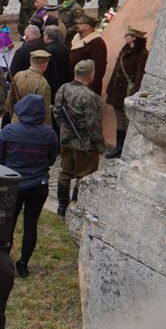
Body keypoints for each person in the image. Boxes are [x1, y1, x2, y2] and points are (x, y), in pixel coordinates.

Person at [0, 94, 58, 278]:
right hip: (38, 184)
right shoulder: (49, 133)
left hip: (11, 182)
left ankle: (4, 259)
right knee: (31, 224)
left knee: (7, 224)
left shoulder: (8, 131)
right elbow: (52, 159)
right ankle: (24, 263)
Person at [54, 60, 107, 217]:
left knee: (65, 172)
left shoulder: (63, 89)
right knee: (83, 176)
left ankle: (62, 207)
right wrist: (100, 145)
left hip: (66, 140)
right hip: (85, 144)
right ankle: (75, 207)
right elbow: (93, 124)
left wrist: (65, 128)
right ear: (91, 76)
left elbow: (57, 112)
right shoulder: (90, 96)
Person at [106, 25, 148, 158]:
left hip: (128, 91)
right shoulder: (124, 50)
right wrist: (110, 85)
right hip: (118, 90)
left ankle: (127, 147)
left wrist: (135, 93)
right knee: (119, 118)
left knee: (128, 119)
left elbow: (140, 75)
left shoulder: (142, 53)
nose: (125, 37)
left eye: (127, 35)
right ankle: (119, 146)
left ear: (134, 38)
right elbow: (117, 68)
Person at [8, 50, 51, 126]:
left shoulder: (18, 75)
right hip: (32, 124)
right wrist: (48, 129)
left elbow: (10, 100)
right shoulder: (43, 84)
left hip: (16, 119)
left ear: (30, 62)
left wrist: (13, 115)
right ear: (45, 65)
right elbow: (45, 111)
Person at [69, 15, 107, 95]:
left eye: (79, 23)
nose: (77, 25)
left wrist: (91, 86)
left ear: (87, 27)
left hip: (87, 87)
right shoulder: (77, 38)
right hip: (75, 82)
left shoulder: (97, 43)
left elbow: (100, 67)